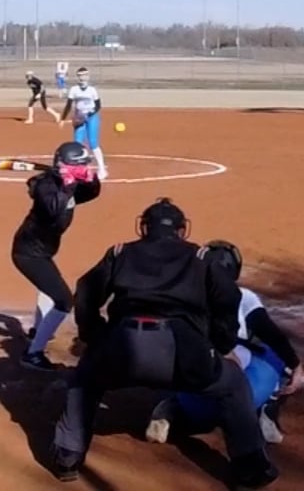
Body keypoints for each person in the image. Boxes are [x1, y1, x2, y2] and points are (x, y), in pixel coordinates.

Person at [52, 199, 279, 488]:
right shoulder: (201, 257)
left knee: (85, 379)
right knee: (233, 384)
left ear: (144, 228)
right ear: (182, 231)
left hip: (123, 346)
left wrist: (95, 336)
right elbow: (228, 298)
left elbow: (85, 293)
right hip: (183, 353)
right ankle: (251, 469)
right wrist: (219, 344)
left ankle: (67, 458)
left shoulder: (120, 253)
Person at [145, 240, 303, 447]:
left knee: (181, 357)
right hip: (242, 401)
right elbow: (271, 334)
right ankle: (267, 411)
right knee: (273, 355)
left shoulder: (182, 297)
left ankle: (174, 407)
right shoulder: (244, 297)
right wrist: (296, 364)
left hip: (191, 398)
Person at [10, 141, 102, 370]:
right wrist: (68, 184)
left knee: (47, 288)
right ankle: (33, 354)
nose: (83, 168)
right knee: (64, 301)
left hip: (43, 252)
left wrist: (89, 179)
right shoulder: (46, 187)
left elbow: (92, 193)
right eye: (80, 165)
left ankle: (37, 332)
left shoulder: (64, 185)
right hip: (28, 254)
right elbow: (53, 208)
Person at [63, 67, 107, 179]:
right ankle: (80, 170)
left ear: (88, 76)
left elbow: (98, 105)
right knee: (77, 144)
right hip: (79, 118)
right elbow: (68, 105)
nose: (82, 77)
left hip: (91, 117)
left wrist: (90, 113)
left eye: (84, 75)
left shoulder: (92, 90)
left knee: (93, 142)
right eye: (80, 75)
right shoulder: (74, 90)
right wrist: (63, 118)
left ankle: (102, 168)